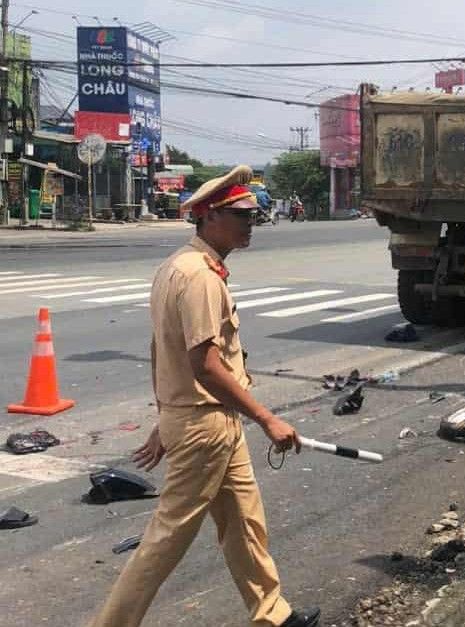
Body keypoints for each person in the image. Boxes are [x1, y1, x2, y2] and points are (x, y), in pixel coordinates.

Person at [91, 165, 320, 627]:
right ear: (210, 216)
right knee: (167, 537)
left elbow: (163, 349)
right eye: (242, 216)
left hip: (207, 420)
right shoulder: (199, 277)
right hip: (206, 425)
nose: (251, 224)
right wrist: (266, 418)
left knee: (244, 524)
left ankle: (274, 615)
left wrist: (165, 415)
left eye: (254, 216)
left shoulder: (179, 266)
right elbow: (204, 364)